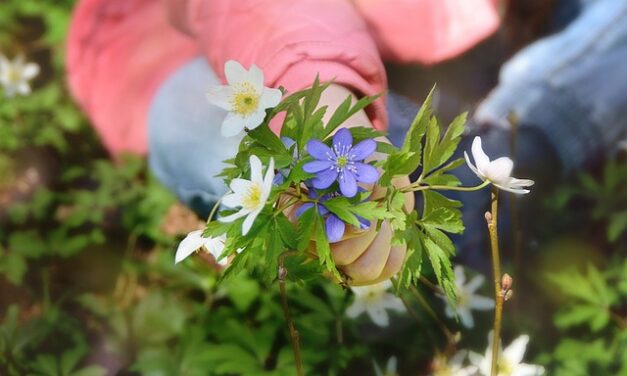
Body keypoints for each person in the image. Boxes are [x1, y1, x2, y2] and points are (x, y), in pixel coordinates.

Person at [66, 0, 627, 281]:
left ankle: (509, 155)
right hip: (205, 46)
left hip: (427, 39)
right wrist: (326, 101)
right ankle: (469, 187)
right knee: (219, 133)